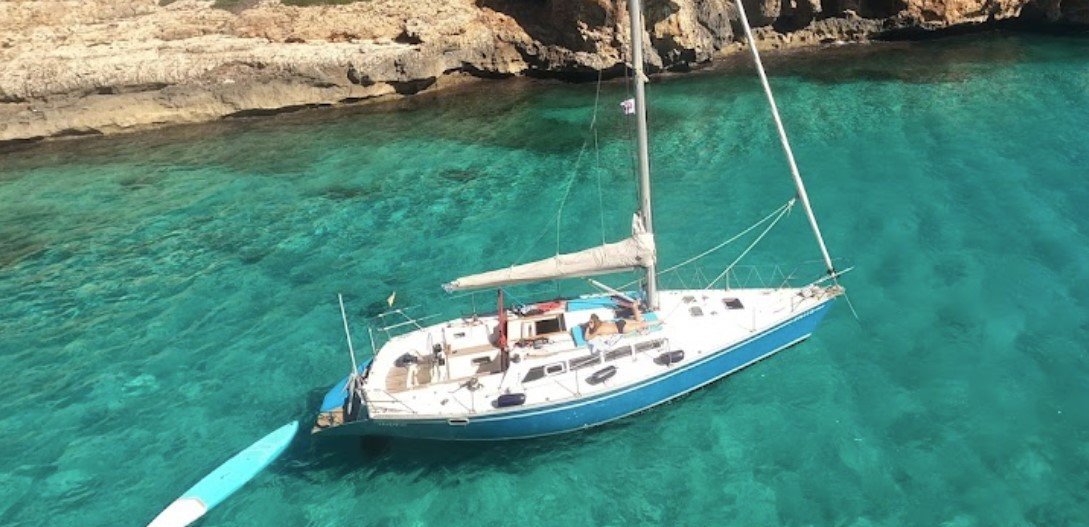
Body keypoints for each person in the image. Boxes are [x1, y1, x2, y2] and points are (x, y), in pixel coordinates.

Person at [584, 303, 656, 340]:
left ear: (595, 322)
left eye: (590, 322)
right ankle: (634, 308)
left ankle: (659, 322)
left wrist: (587, 329)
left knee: (641, 324)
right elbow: (588, 337)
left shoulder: (598, 330)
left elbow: (587, 338)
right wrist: (588, 326)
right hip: (620, 323)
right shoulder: (601, 323)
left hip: (621, 327)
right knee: (638, 322)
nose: (589, 324)